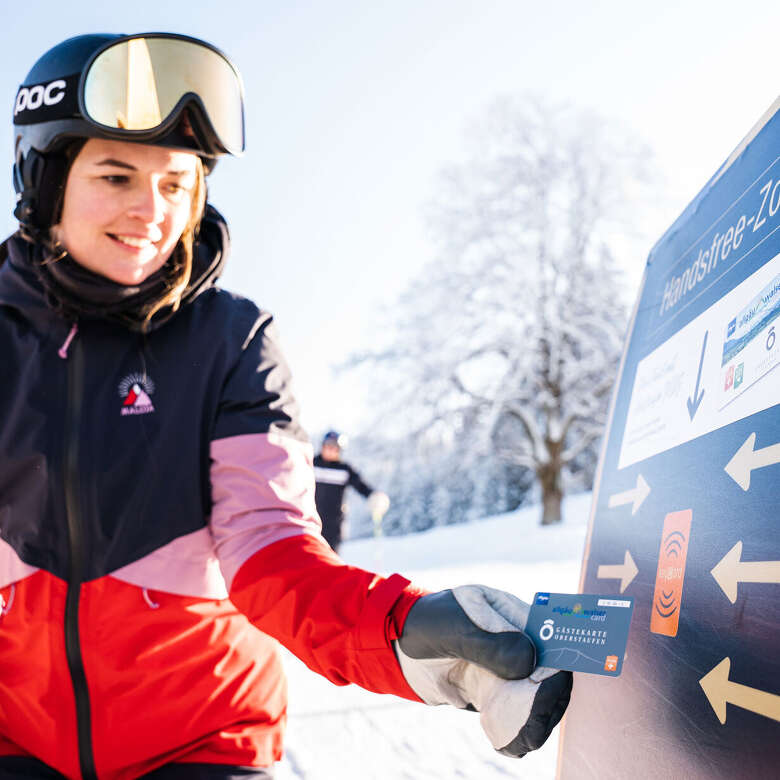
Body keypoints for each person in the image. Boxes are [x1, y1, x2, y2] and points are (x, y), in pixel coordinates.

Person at [0, 33, 572, 780]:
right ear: (43, 183)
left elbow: (271, 552)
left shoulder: (233, 341)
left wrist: (405, 631)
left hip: (203, 741)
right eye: (115, 175)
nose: (151, 211)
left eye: (177, 184)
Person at [313, 430, 389, 552]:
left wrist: (373, 496)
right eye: (328, 446)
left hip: (333, 524)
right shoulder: (311, 464)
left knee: (330, 558)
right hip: (311, 520)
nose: (331, 450)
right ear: (322, 446)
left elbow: (361, 486)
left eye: (335, 448)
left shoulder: (344, 469)